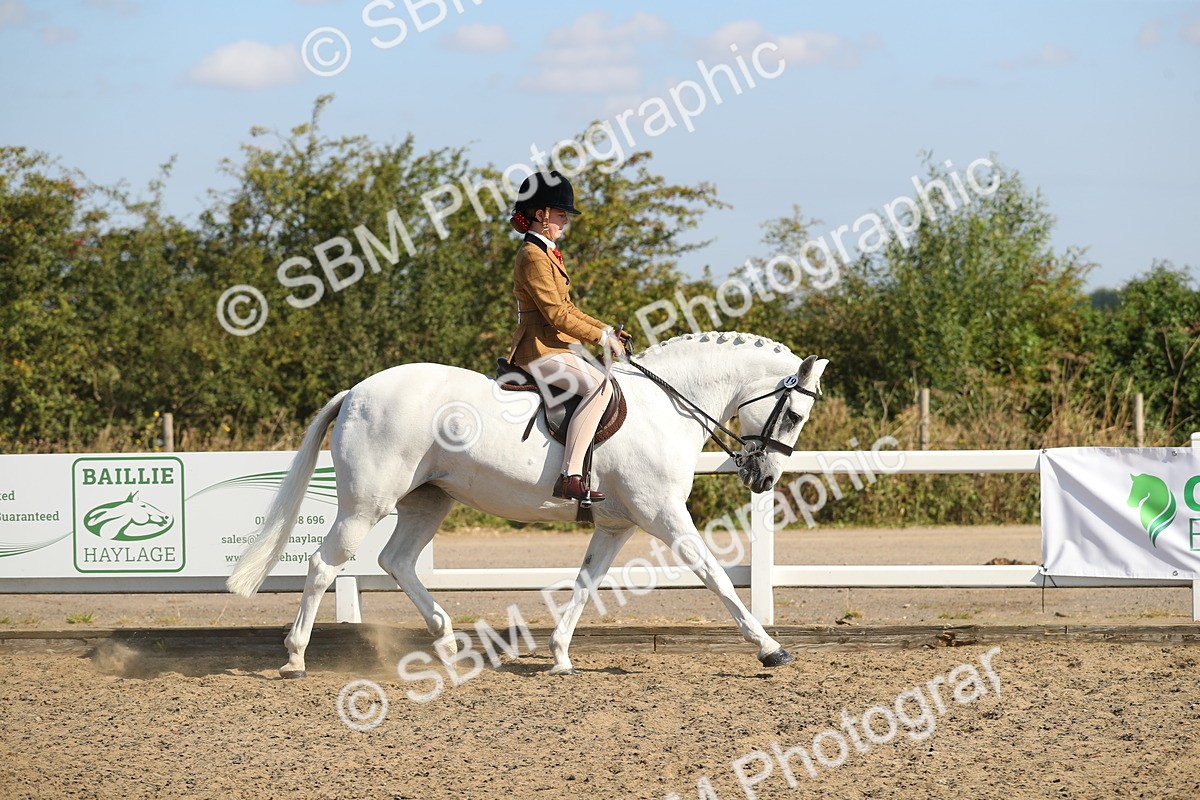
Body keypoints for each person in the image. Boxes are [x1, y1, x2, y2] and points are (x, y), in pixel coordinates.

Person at [506, 171, 631, 503]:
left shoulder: (546, 252)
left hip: (554, 346)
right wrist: (602, 339)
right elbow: (556, 315)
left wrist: (605, 330)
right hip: (538, 350)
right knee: (602, 387)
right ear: (541, 213)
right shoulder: (532, 255)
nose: (565, 221)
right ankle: (570, 475)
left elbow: (568, 307)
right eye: (561, 214)